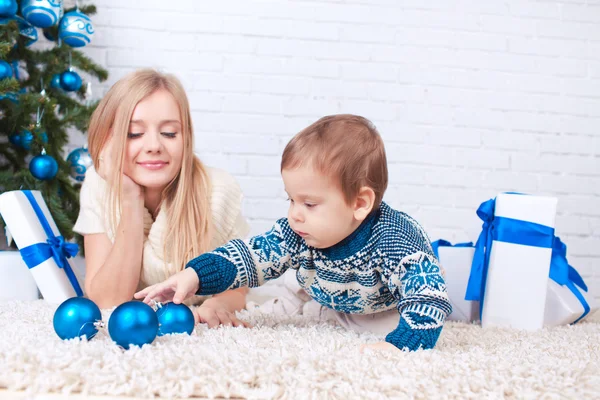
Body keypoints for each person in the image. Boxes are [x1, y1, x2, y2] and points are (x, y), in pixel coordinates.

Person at [135, 114, 451, 351]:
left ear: (359, 203)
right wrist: (194, 276)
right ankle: (314, 305)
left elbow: (427, 299)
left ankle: (349, 318)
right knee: (290, 283)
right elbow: (252, 255)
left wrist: (398, 346)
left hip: (379, 304)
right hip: (324, 288)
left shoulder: (395, 242)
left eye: (310, 204)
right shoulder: (298, 231)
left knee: (396, 328)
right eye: (291, 199)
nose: (294, 214)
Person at [73, 69, 250, 328]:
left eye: (169, 133)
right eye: (134, 134)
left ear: (186, 138)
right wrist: (130, 199)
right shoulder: (99, 186)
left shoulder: (218, 190)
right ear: (108, 140)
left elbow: (239, 287)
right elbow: (108, 301)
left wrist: (218, 303)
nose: (154, 145)